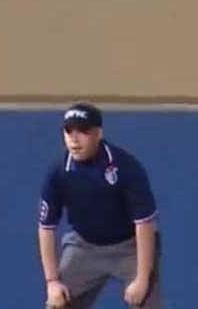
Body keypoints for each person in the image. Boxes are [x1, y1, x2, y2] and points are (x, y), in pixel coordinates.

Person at [37, 102, 161, 308]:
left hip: (129, 247)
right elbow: (46, 228)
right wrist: (52, 281)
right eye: (68, 132)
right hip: (84, 246)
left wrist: (142, 279)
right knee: (57, 302)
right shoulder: (58, 171)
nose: (74, 140)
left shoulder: (125, 166)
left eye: (83, 132)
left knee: (146, 301)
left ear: (98, 133)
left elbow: (144, 224)